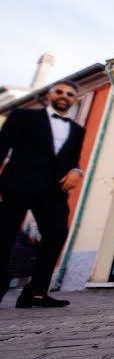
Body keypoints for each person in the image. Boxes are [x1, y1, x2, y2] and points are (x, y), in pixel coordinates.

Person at [0, 80, 85, 307]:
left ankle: (35, 292)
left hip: (53, 190)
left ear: (74, 99)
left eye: (69, 94)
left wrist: (77, 171)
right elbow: (2, 147)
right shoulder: (23, 116)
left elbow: (73, 159)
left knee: (57, 234)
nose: (64, 96)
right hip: (18, 184)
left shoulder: (77, 130)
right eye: (59, 92)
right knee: (4, 235)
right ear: (50, 95)